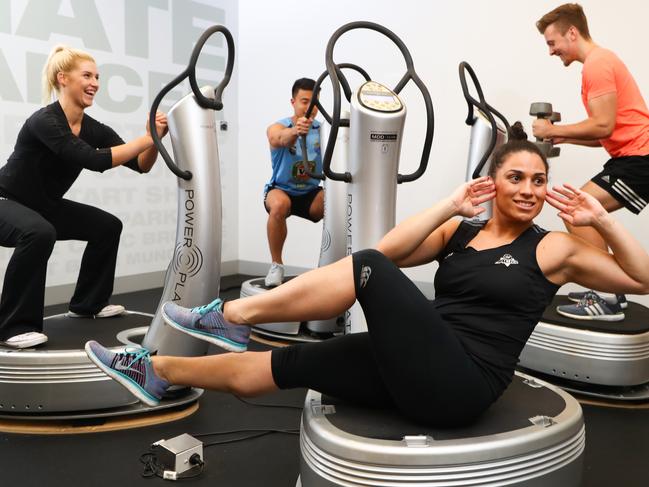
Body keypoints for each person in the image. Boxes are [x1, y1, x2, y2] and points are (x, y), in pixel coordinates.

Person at [85, 125, 649, 426]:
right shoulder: (458, 233)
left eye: (539, 180)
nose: (529, 189)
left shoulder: (553, 249)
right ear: (494, 183)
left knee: (368, 271)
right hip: (421, 361)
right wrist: (448, 206)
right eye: (517, 177)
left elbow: (642, 279)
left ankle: (230, 316)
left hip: (464, 384)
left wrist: (602, 220)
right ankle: (157, 371)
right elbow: (389, 250)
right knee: (289, 363)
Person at [0, 45, 168, 349]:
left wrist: (152, 140)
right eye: (87, 75)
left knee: (106, 226)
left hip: (42, 205)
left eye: (98, 76)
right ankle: (13, 327)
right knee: (39, 232)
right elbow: (93, 160)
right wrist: (146, 138)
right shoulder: (45, 121)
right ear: (63, 78)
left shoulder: (93, 128)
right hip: (5, 201)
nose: (95, 83)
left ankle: (88, 304)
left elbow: (140, 165)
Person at [533, 3, 649, 321]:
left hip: (640, 159)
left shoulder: (597, 63)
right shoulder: (598, 63)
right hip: (631, 157)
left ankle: (609, 296)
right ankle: (611, 293)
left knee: (576, 210)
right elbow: (604, 134)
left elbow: (603, 125)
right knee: (578, 210)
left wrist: (552, 129)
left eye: (552, 42)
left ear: (572, 32)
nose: (551, 51)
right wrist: (564, 137)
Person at [263, 78, 324, 287]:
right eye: (304, 101)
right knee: (280, 206)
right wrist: (295, 132)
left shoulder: (323, 130)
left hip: (311, 193)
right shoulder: (279, 126)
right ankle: (276, 265)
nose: (310, 107)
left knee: (338, 202)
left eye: (314, 102)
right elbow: (278, 139)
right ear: (293, 102)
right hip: (281, 190)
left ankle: (331, 265)